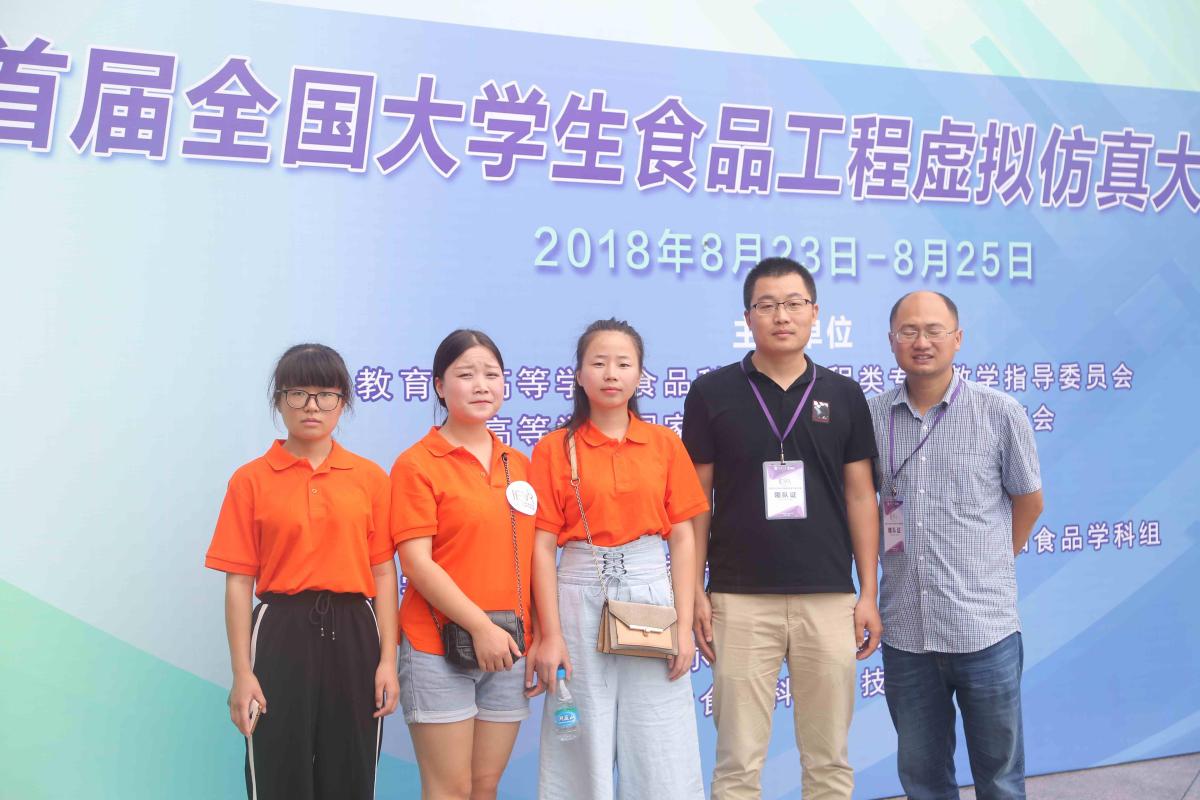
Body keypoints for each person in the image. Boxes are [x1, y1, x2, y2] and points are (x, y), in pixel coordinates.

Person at [682, 257, 882, 800]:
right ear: (747, 316)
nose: (781, 316)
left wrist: (868, 591)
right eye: (767, 305)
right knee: (737, 763)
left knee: (829, 760)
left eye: (794, 303)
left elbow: (861, 496)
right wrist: (695, 590)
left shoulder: (844, 395)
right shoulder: (711, 393)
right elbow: (696, 502)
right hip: (738, 598)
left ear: (815, 312)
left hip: (828, 597)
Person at [867, 291, 1043, 800]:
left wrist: (993, 562)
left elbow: (1029, 502)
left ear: (957, 338)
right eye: (909, 331)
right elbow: (860, 502)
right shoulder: (872, 415)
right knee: (923, 779)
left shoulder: (999, 411)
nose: (921, 342)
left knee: (1000, 778)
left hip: (984, 628)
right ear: (892, 341)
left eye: (934, 330)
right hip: (907, 630)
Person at [205, 343, 399, 800]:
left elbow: (384, 575)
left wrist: (388, 661)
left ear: (343, 403)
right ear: (279, 401)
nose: (312, 406)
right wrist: (242, 673)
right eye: (298, 393)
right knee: (278, 770)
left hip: (355, 629)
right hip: (280, 631)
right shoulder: (250, 480)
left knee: (350, 773)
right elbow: (239, 582)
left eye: (326, 395)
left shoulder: (369, 478)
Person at [529, 318, 708, 800]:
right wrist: (550, 635)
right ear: (579, 375)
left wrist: (683, 627)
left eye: (624, 364)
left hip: (650, 595)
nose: (611, 373)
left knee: (659, 738)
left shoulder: (664, 444)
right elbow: (542, 546)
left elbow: (683, 537)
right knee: (578, 735)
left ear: (640, 375)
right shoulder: (553, 449)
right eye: (599, 363)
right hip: (578, 595)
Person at [389, 329, 537, 800]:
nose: (481, 385)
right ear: (439, 385)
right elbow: (417, 563)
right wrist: (480, 627)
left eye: (491, 374)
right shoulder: (417, 464)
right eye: (466, 375)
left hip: (509, 645)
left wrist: (532, 634)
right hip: (436, 645)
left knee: (484, 786)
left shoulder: (519, 464)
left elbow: (531, 557)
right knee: (449, 789)